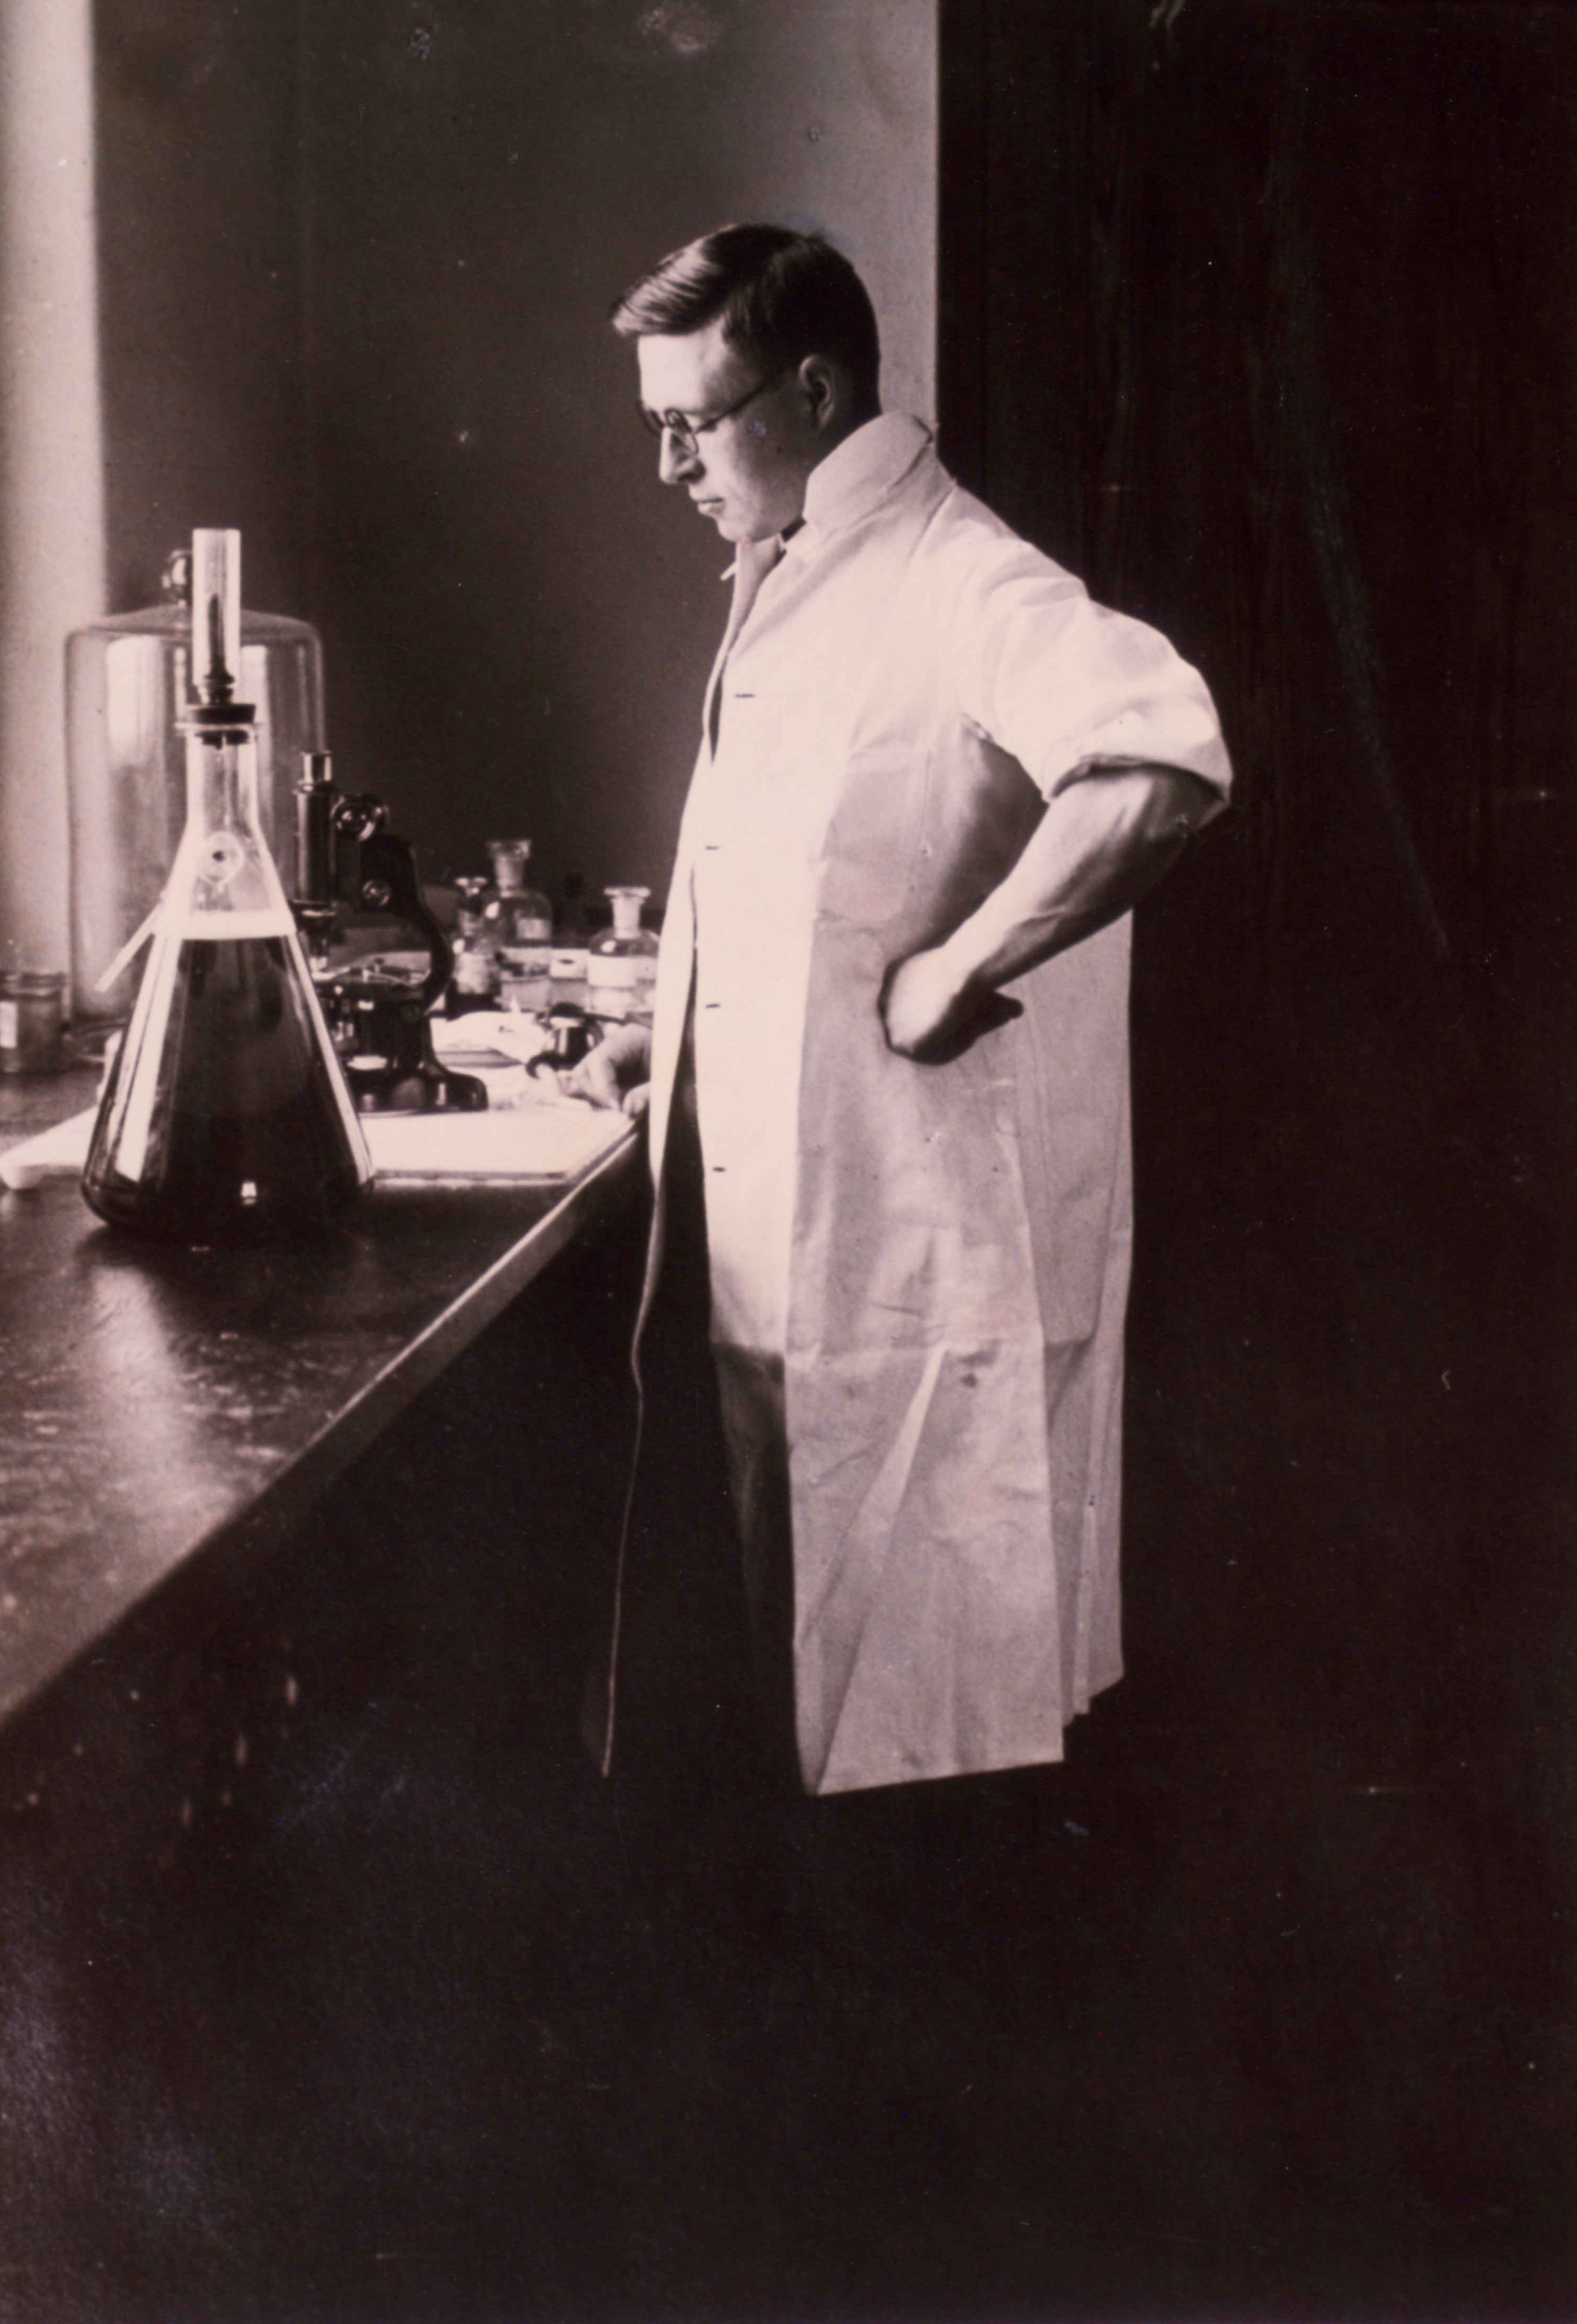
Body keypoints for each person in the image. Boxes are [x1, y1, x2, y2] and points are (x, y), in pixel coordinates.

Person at [574, 224, 1231, 1799]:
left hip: (909, 1270)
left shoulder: (962, 576)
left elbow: (1161, 764)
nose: (667, 466)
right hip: (777, 1268)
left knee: (919, 1742)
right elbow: (823, 875)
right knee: (796, 1713)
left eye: (691, 424)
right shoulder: (801, 566)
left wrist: (958, 970)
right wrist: (674, 1042)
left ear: (811, 389)